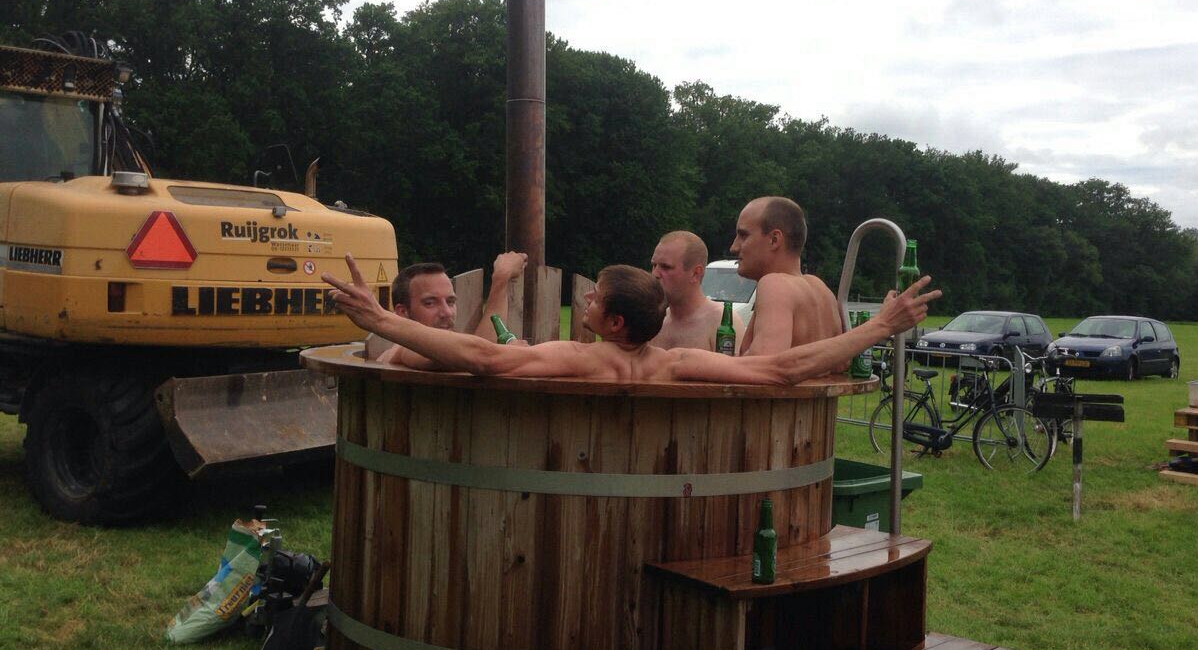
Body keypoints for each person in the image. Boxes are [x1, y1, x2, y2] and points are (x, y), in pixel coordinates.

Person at [325, 255, 939, 385]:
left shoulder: (580, 358)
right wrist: (878, 327)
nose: (585, 302)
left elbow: (484, 357)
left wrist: (382, 321)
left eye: (594, 301)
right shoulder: (674, 363)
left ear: (615, 323)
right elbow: (782, 370)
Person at [371, 251, 528, 367]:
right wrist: (501, 276)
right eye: (430, 303)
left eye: (450, 302)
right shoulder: (406, 350)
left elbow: (479, 351)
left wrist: (502, 279)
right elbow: (476, 357)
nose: (446, 312)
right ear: (402, 312)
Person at [730, 196, 842, 356]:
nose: (733, 247)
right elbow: (841, 364)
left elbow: (764, 365)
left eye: (743, 235)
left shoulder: (775, 285)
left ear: (774, 240)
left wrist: (698, 361)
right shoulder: (824, 292)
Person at [650, 230, 743, 351]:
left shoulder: (720, 323)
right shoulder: (654, 322)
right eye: (654, 265)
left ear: (695, 273)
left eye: (666, 267)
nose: (655, 274)